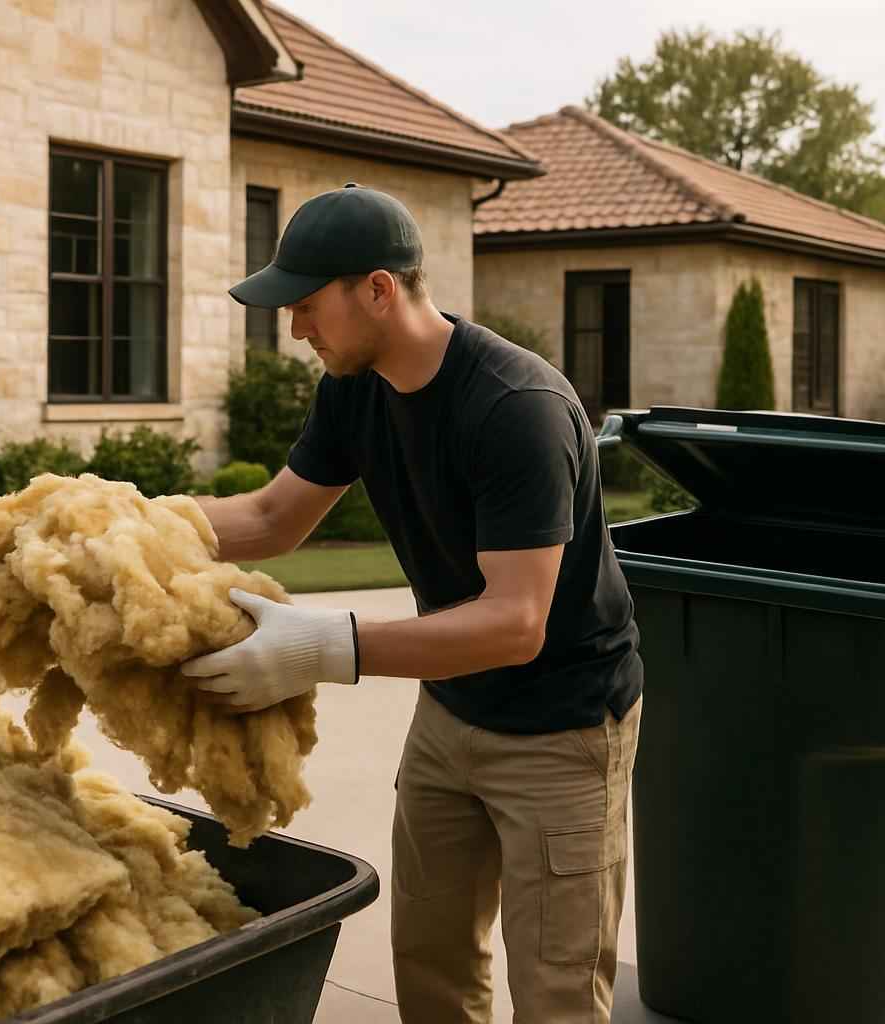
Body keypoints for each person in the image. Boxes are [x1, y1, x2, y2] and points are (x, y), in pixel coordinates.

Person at [180, 183, 644, 1024]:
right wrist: (122, 524)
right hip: (449, 715)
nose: (295, 328)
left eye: (307, 304)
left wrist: (324, 647)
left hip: (563, 728)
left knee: (558, 996)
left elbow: (515, 622)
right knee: (430, 969)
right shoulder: (356, 388)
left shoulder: (515, 409)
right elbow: (272, 517)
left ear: (378, 290)